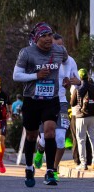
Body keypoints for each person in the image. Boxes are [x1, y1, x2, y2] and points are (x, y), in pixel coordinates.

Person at [12, 22, 68, 187]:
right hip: (32, 99)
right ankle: (29, 168)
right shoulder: (27, 53)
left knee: (50, 132)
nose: (48, 39)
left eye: (50, 35)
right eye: (43, 36)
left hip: (51, 99)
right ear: (36, 38)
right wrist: (36, 75)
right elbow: (16, 75)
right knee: (31, 135)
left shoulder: (59, 51)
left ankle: (50, 171)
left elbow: (67, 62)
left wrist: (66, 76)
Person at [33, 33, 79, 178]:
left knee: (60, 138)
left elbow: (78, 81)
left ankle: (53, 169)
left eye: (62, 46)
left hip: (61, 102)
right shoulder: (42, 59)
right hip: (44, 102)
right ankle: (40, 149)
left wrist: (72, 82)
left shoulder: (69, 61)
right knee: (45, 139)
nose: (60, 49)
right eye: (56, 46)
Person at [72, 68, 94, 170]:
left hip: (81, 116)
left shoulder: (78, 87)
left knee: (81, 140)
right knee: (92, 139)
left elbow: (72, 103)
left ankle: (83, 163)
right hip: (92, 116)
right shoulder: (92, 86)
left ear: (80, 77)